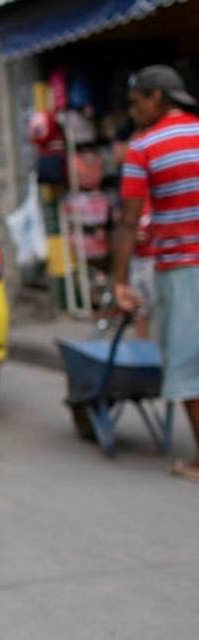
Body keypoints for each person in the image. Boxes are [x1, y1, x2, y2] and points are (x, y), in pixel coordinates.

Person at [114, 65, 199, 481]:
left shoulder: (143, 147)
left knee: (188, 366)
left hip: (183, 269)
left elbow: (129, 221)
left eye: (136, 102)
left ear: (157, 98)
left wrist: (119, 280)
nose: (133, 112)